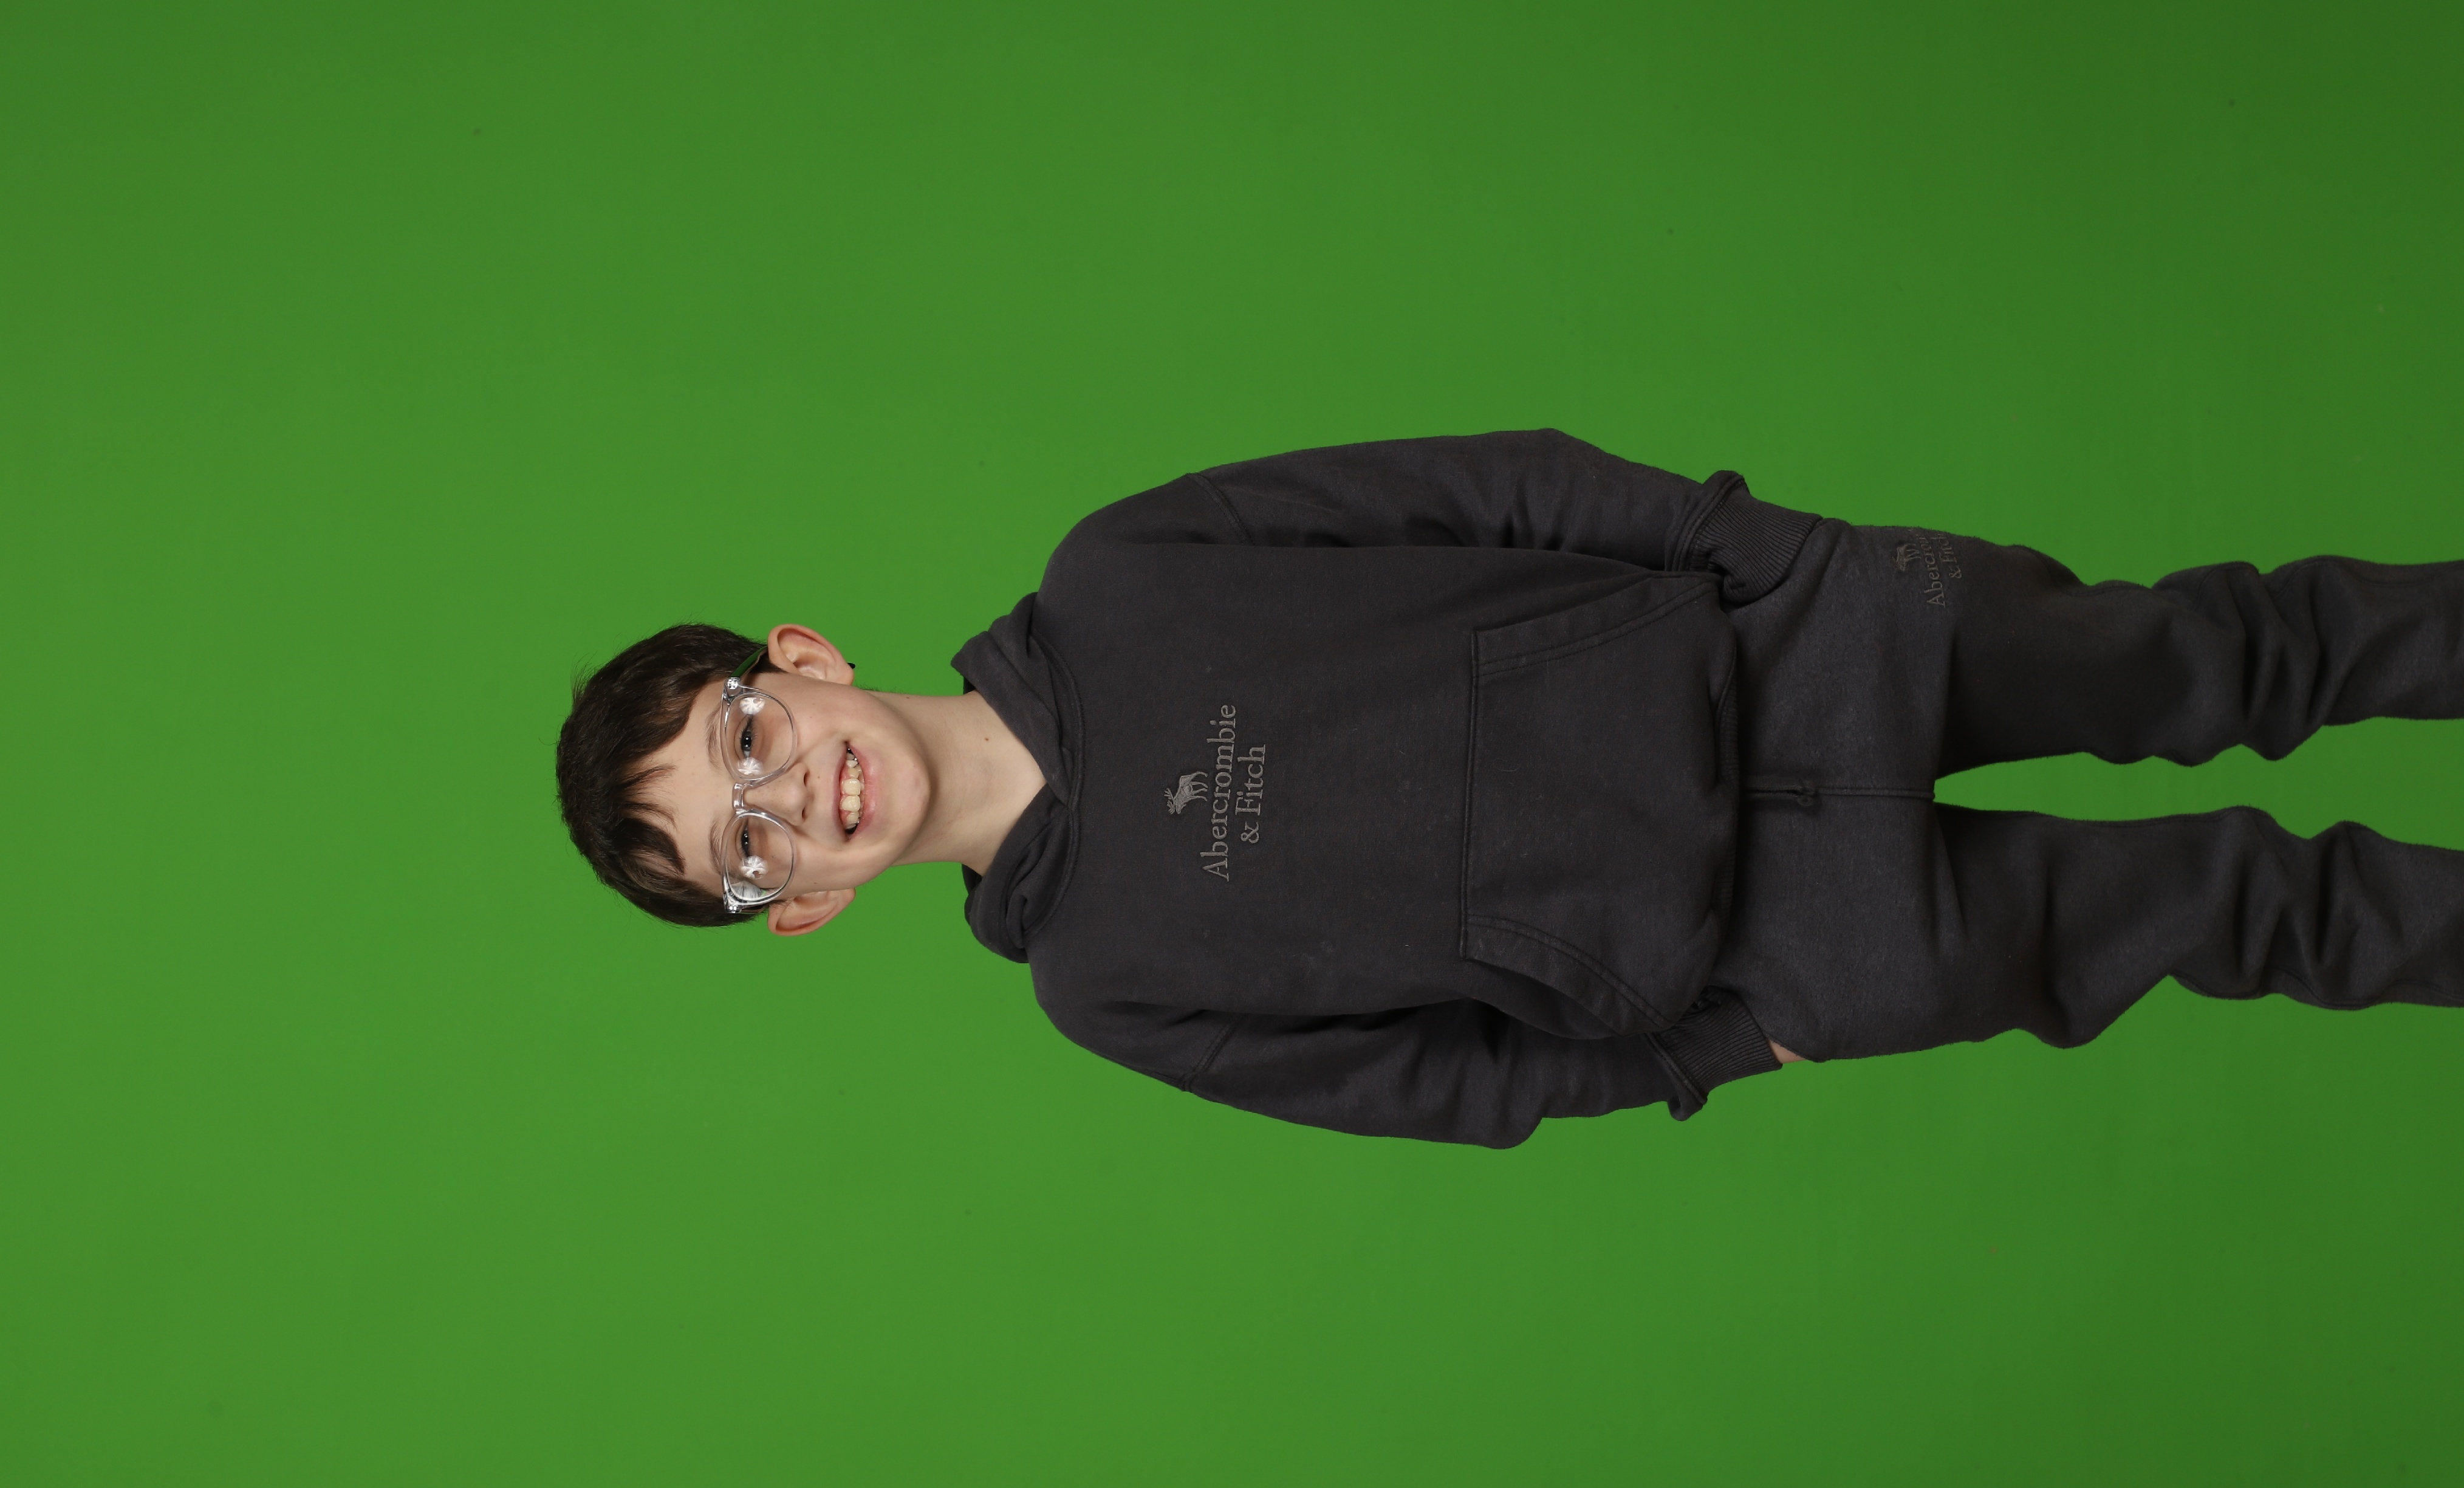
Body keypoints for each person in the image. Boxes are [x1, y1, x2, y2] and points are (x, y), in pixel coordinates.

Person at [555, 431, 2464, 1146]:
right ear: (801, 909)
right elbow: (1450, 1087)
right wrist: (1734, 1042)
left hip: (1801, 644)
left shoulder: (1117, 573)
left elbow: (1474, 488)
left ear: (797, 662)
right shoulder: (1105, 988)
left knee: (2233, 653)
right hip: (1801, 942)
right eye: (748, 851)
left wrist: (1769, 558)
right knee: (2262, 917)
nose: (789, 799)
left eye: (745, 741)